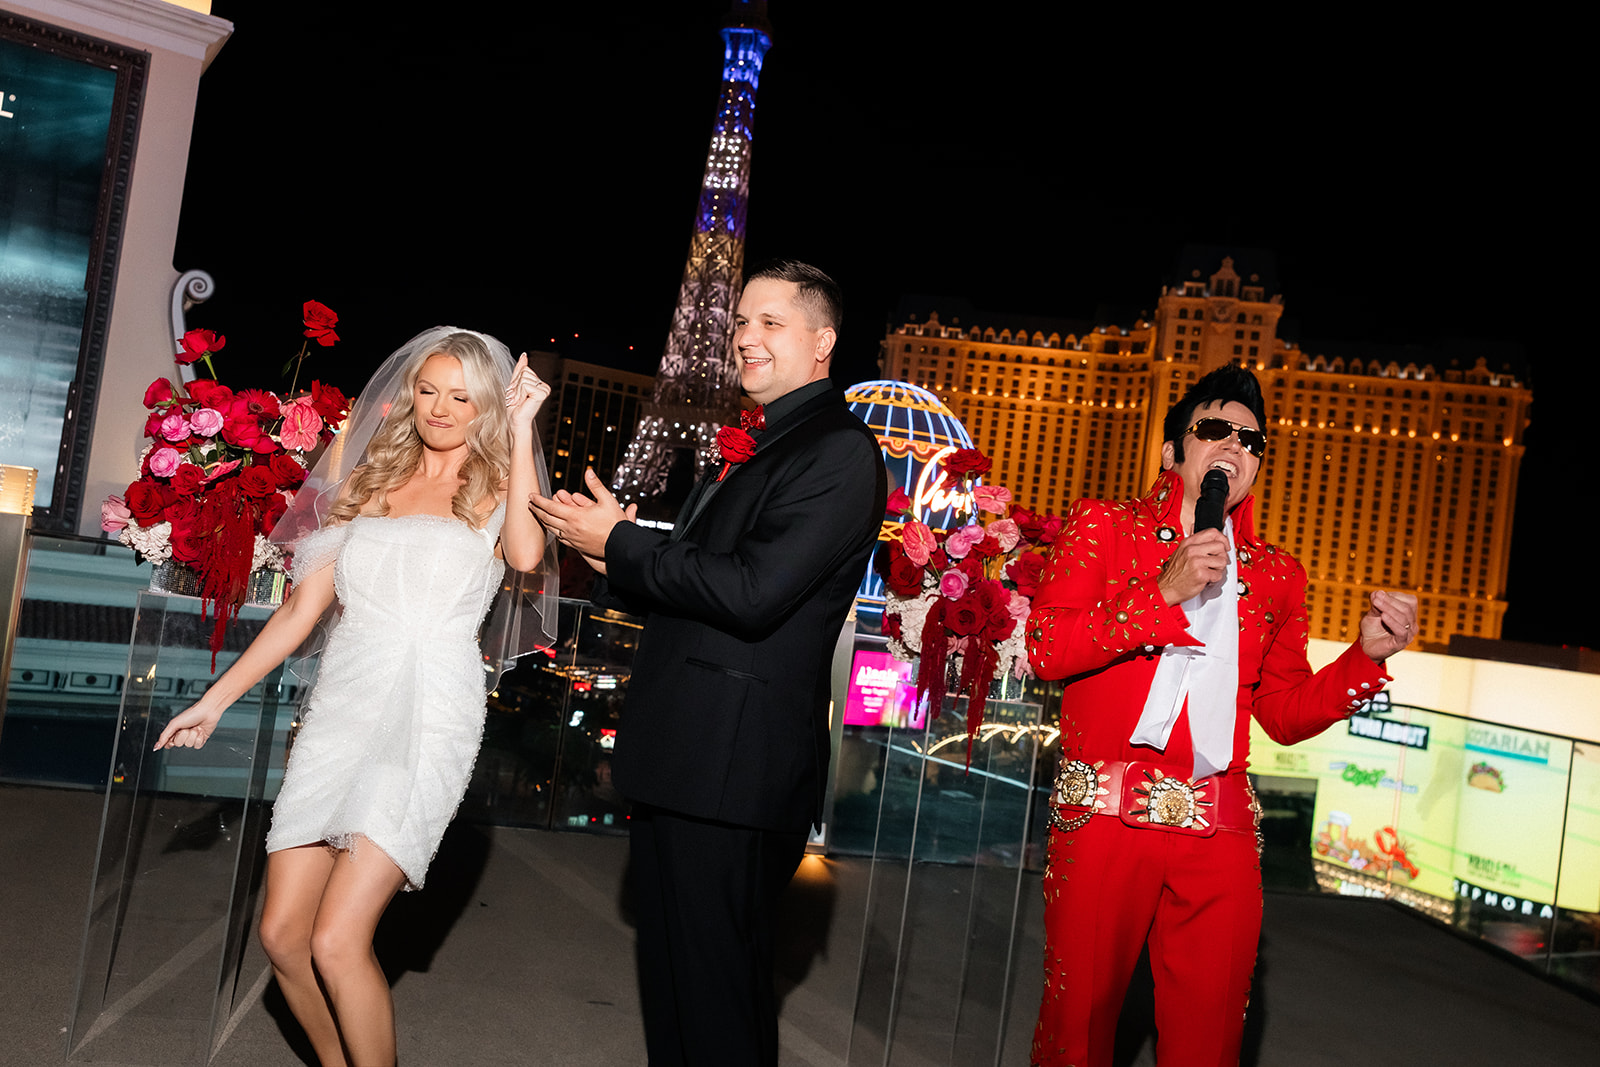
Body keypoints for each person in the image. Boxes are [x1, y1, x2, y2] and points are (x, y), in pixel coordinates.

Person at [154, 327, 556, 1067]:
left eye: (462, 396)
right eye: (429, 390)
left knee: (338, 939)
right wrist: (215, 700)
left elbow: (529, 555)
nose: (440, 408)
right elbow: (300, 612)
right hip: (344, 703)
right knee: (281, 936)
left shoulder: (500, 485)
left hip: (432, 711)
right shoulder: (370, 478)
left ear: (486, 407)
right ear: (410, 394)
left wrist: (525, 428)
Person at [531, 260, 887, 1066]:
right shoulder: (769, 442)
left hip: (733, 770)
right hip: (692, 759)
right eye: (740, 324)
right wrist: (622, 542)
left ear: (823, 341)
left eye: (770, 323)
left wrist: (619, 544)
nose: (745, 339)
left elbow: (755, 591)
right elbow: (701, 581)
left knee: (715, 997)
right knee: (676, 988)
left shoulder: (837, 451)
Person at [1024, 365, 1418, 1067]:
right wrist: (1164, 591)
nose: (1234, 444)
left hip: (1221, 836)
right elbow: (1049, 647)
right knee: (1075, 1033)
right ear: (1174, 452)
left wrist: (1365, 657)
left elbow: (1286, 712)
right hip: (1105, 821)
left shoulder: (1276, 574)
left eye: (1251, 439)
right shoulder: (1104, 527)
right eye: (1214, 428)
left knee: (1210, 1042)